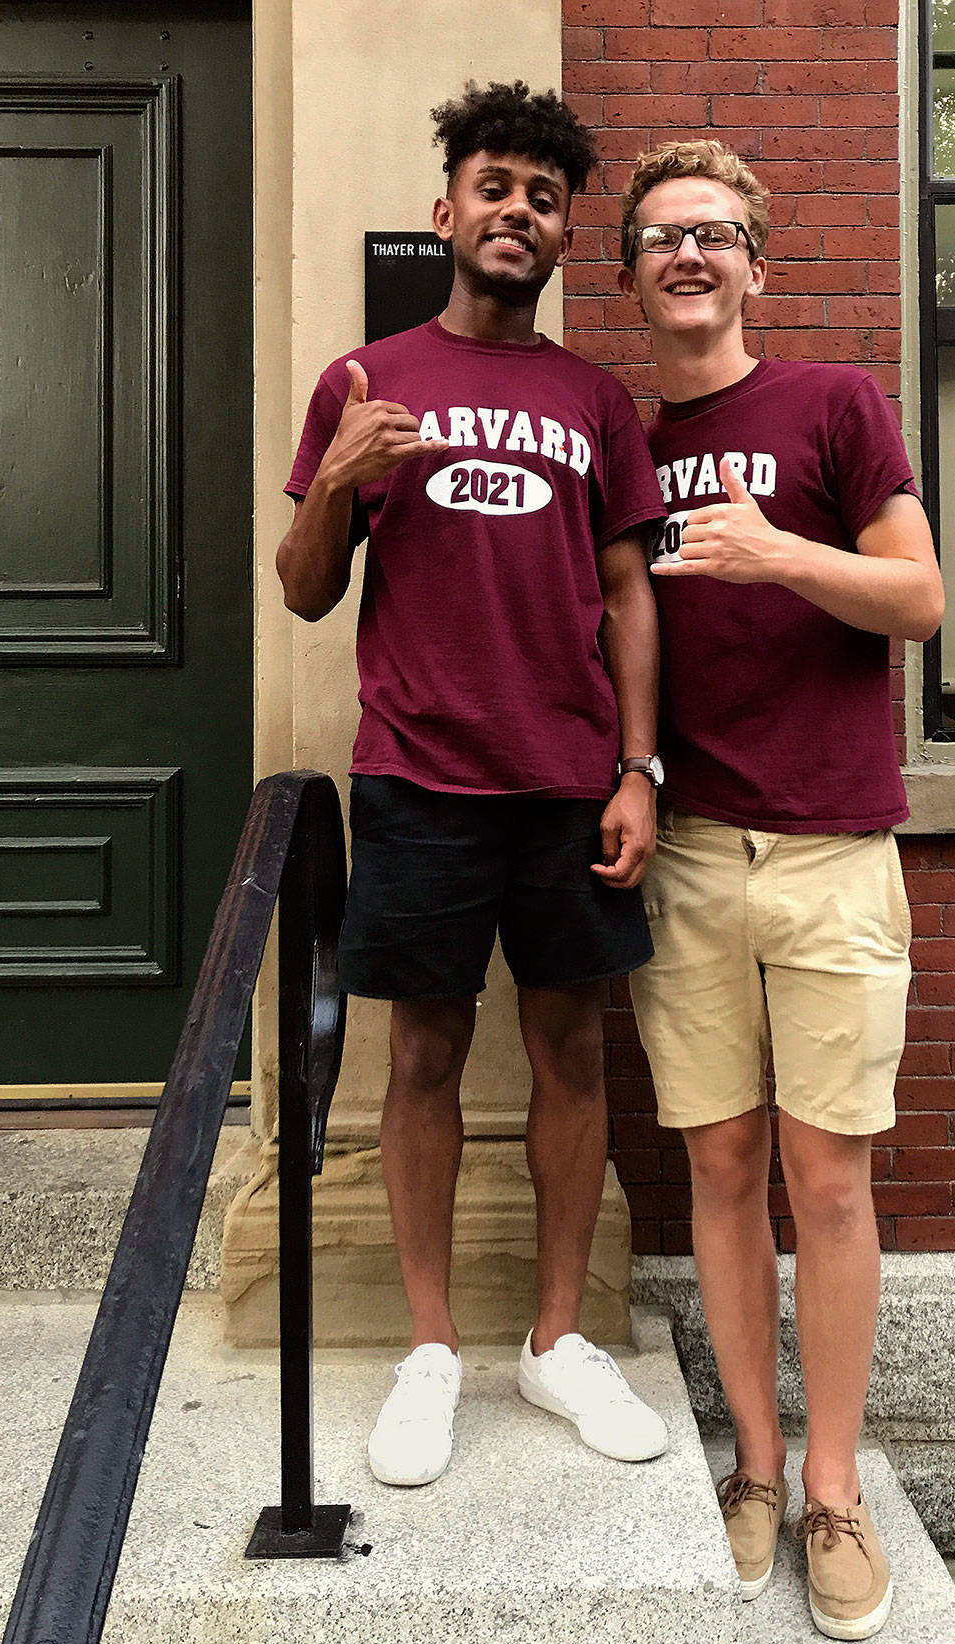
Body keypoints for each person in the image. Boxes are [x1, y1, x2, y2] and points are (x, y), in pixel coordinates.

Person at [277, 81, 669, 1489]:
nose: (517, 211)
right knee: (425, 1060)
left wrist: (638, 767)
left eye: (544, 198)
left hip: (569, 783)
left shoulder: (594, 400)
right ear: (447, 213)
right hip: (421, 779)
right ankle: (433, 1349)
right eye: (494, 187)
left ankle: (556, 1343)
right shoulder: (365, 380)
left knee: (574, 1056)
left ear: (566, 237)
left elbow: (630, 593)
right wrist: (335, 479)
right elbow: (308, 596)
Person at [617, 139, 944, 1639]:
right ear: (630, 274)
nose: (690, 254)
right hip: (685, 855)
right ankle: (751, 1462)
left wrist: (778, 551)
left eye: (716, 234)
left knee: (831, 1178)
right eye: (663, 236)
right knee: (724, 1169)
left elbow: (921, 599)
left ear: (758, 265)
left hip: (830, 853)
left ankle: (834, 1485)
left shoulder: (834, 404)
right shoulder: (620, 439)